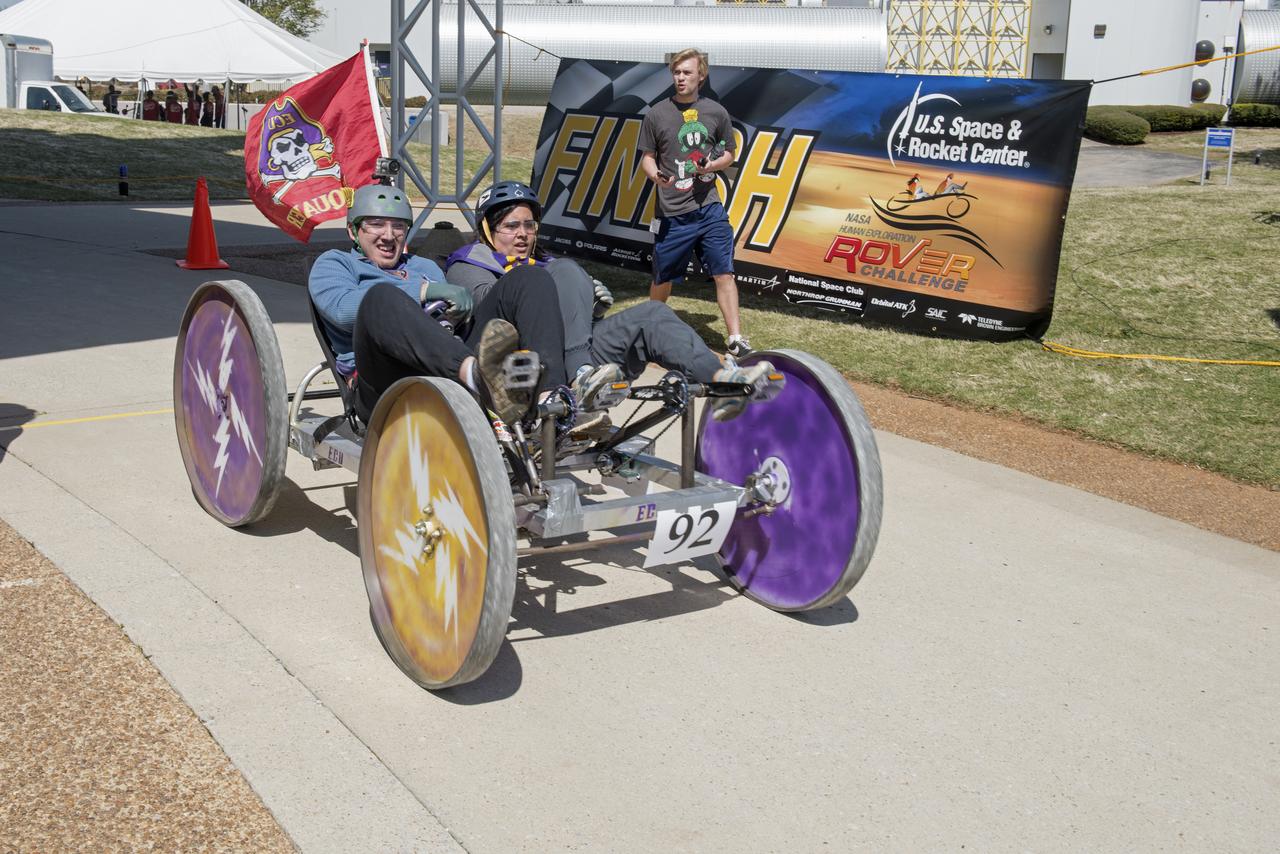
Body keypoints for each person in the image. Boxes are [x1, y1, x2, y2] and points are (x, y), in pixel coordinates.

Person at [445, 181, 782, 422]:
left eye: (529, 225)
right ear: (487, 229)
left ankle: (722, 379)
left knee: (651, 313)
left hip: (568, 363)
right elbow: (490, 317)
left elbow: (562, 321)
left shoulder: (544, 263)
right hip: (511, 372)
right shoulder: (468, 262)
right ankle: (582, 377)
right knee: (562, 270)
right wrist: (553, 288)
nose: (523, 234)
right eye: (510, 226)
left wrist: (588, 310)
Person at [309, 184, 571, 427]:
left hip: (444, 365)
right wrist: (423, 291)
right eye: (376, 225)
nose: (388, 235)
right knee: (380, 297)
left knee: (529, 277)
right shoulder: (335, 263)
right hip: (383, 379)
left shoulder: (424, 266)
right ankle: (478, 379)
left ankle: (551, 400)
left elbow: (449, 324)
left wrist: (458, 313)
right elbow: (342, 311)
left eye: (398, 226)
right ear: (353, 231)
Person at [639, 47, 752, 359]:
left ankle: (735, 338)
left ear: (701, 75)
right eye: (676, 72)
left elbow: (730, 152)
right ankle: (648, 329)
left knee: (724, 272)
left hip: (710, 208)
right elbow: (647, 158)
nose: (680, 78)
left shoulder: (716, 112)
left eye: (687, 72)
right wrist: (656, 176)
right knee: (663, 278)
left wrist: (712, 166)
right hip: (673, 212)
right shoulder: (656, 114)